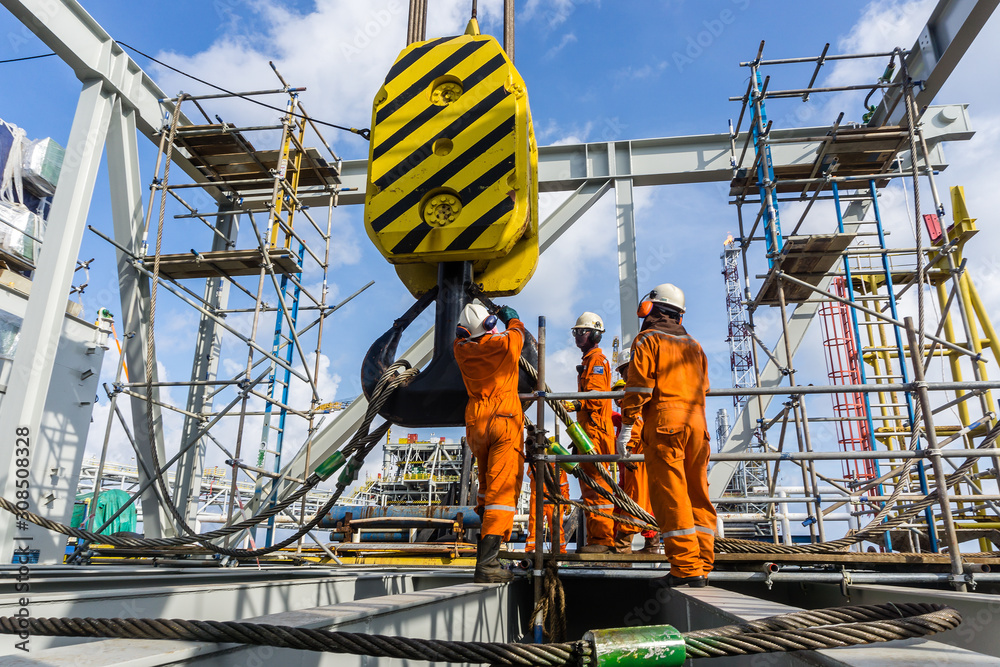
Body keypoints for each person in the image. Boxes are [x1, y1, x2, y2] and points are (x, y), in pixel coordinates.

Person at [617, 283, 716, 587]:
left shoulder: (647, 339)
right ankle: (703, 564)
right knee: (698, 493)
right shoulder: (695, 346)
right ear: (680, 316)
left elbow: (638, 389)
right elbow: (706, 388)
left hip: (665, 423)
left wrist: (628, 425)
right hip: (698, 424)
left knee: (671, 495)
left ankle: (686, 568)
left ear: (650, 308)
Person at [454, 301, 524, 583]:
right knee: (502, 494)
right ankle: (488, 564)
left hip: (476, 424)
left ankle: (486, 554)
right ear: (489, 325)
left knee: (486, 488)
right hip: (503, 420)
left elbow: (465, 336)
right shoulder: (504, 346)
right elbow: (518, 332)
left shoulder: (460, 351)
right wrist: (512, 317)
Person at [566, 312, 616, 553]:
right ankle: (597, 539)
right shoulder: (588, 361)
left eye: (582, 331)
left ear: (595, 335)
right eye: (576, 332)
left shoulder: (597, 361)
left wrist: (577, 404)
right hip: (589, 432)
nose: (578, 336)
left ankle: (603, 540)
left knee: (597, 486)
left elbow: (595, 399)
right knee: (590, 488)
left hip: (596, 432)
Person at [610, 354, 658, 555]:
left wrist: (628, 448)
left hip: (635, 460)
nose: (616, 398)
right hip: (632, 463)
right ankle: (651, 546)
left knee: (634, 501)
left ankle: (623, 548)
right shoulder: (625, 411)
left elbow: (636, 425)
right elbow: (614, 418)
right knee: (638, 501)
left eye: (623, 371)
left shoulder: (634, 401)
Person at [525, 463, 570, 553]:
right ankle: (531, 548)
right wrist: (548, 472)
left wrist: (566, 501)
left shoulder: (559, 463)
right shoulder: (536, 459)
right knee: (534, 524)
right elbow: (531, 474)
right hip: (538, 497)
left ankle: (559, 550)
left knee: (557, 525)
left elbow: (564, 485)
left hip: (555, 498)